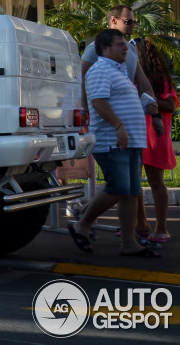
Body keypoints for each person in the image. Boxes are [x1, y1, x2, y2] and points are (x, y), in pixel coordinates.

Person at [68, 29, 157, 258]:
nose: (125, 47)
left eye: (125, 44)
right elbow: (98, 102)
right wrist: (119, 126)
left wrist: (145, 107)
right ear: (104, 49)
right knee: (119, 188)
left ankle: (129, 243)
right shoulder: (99, 70)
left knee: (132, 193)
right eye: (120, 44)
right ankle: (83, 223)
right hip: (112, 142)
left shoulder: (119, 71)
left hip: (131, 142)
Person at [136, 37, 175, 244]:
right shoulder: (131, 76)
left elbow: (171, 106)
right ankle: (141, 224)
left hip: (155, 135)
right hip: (138, 134)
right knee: (136, 183)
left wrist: (147, 99)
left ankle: (161, 228)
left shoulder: (161, 79)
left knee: (156, 182)